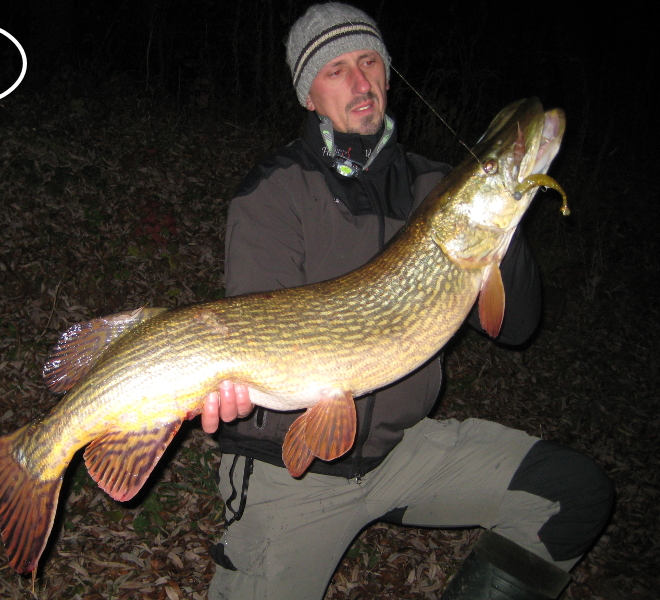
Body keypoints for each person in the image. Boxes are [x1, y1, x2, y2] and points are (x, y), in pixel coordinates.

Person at [199, 4, 613, 599]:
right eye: (336, 70)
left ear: (389, 77)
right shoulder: (275, 190)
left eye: (370, 62)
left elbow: (516, 326)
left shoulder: (433, 185)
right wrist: (230, 386)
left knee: (572, 491)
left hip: (401, 452)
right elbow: (256, 334)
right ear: (308, 96)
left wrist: (506, 220)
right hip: (291, 475)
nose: (361, 82)